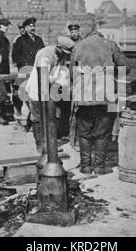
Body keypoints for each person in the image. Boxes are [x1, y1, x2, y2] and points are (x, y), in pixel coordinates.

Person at [71, 31, 130, 175]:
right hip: (105, 95)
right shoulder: (110, 45)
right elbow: (125, 68)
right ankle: (99, 167)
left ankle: (85, 166)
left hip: (83, 96)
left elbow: (72, 73)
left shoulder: (78, 46)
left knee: (84, 133)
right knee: (102, 133)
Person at [25, 37, 75, 154]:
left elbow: (62, 72)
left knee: (53, 117)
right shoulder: (44, 54)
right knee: (38, 118)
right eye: (64, 52)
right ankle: (41, 144)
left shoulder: (62, 55)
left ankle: (51, 143)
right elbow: (43, 77)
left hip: (52, 90)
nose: (65, 55)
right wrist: (58, 80)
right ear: (58, 47)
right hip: (37, 89)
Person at [12, 17, 46, 131]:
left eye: (34, 26)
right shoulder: (20, 41)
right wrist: (23, 64)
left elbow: (43, 54)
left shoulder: (39, 40)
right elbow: (15, 57)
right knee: (24, 97)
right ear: (25, 28)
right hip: (25, 72)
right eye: (30, 26)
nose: (33, 28)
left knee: (35, 97)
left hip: (36, 72)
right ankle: (25, 123)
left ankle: (33, 123)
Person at [0, 19, 12, 124]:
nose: (7, 27)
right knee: (1, 94)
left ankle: (0, 114)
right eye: (5, 25)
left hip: (2, 69)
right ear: (0, 25)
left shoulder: (2, 36)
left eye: (7, 25)